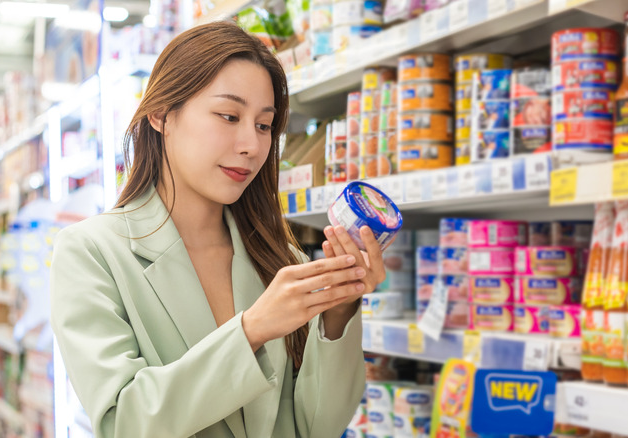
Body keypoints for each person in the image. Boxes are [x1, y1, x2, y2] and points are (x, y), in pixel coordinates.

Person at [50, 22, 387, 438]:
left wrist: (338, 310)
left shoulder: (279, 259)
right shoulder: (91, 253)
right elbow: (123, 420)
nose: (251, 144)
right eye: (229, 116)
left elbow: (317, 428)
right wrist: (252, 329)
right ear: (160, 114)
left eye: (264, 125)